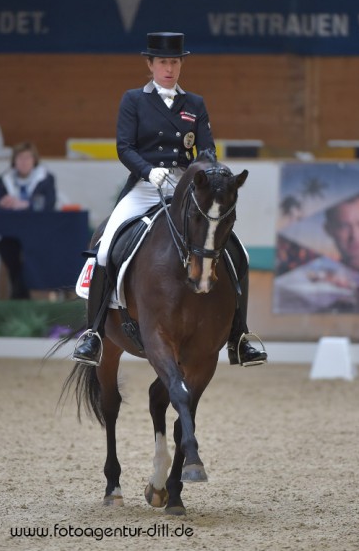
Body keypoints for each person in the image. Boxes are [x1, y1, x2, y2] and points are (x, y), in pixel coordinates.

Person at [73, 32, 267, 367]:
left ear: (180, 65)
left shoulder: (194, 103)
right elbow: (125, 148)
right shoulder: (133, 100)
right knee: (105, 247)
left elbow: (206, 148)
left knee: (239, 252)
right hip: (145, 185)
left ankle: (240, 337)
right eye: (163, 62)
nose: (169, 68)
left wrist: (207, 170)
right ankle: (93, 334)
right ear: (150, 64)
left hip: (186, 186)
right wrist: (149, 172)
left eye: (174, 62)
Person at [0, 141, 56, 299]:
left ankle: (20, 294)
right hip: (10, 234)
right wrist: (1, 202)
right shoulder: (4, 180)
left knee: (33, 254)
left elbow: (49, 204)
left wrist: (27, 204)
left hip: (37, 233)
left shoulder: (45, 178)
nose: (24, 162)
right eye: (20, 158)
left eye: (27, 158)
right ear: (14, 161)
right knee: (8, 248)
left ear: (34, 160)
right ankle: (22, 294)